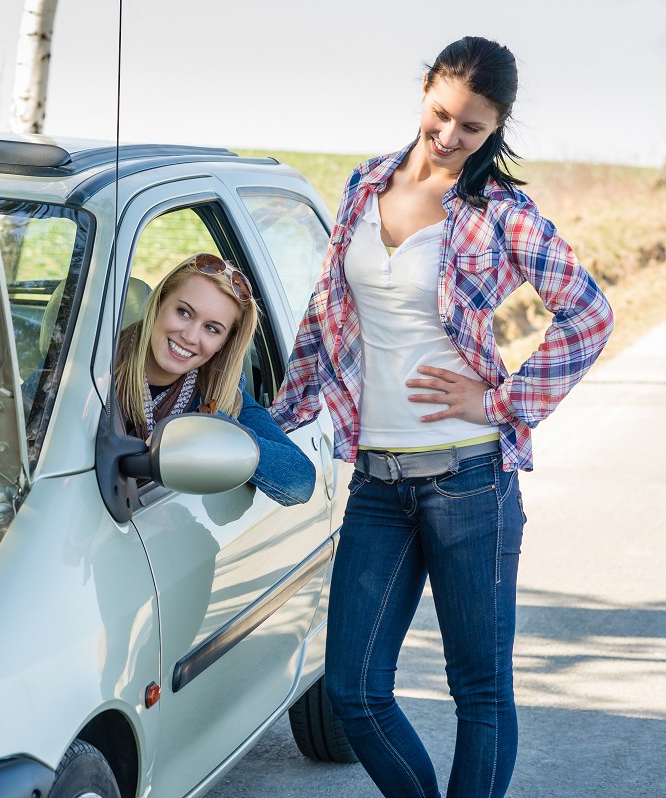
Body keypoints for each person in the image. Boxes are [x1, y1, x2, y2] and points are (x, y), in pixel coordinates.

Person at [268, 37, 613, 798]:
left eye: (473, 129)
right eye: (443, 114)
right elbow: (326, 315)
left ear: (497, 130)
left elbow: (588, 315)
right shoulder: (364, 185)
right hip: (378, 482)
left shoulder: (499, 212)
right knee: (355, 690)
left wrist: (500, 402)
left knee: (480, 692)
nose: (451, 137)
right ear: (425, 89)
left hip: (469, 481)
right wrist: (272, 415)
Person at [115, 253, 316, 506]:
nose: (190, 336)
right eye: (184, 312)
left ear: (224, 343)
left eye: (212, 328)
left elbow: (300, 482)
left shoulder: (216, 396)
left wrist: (210, 427)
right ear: (159, 303)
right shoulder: (95, 365)